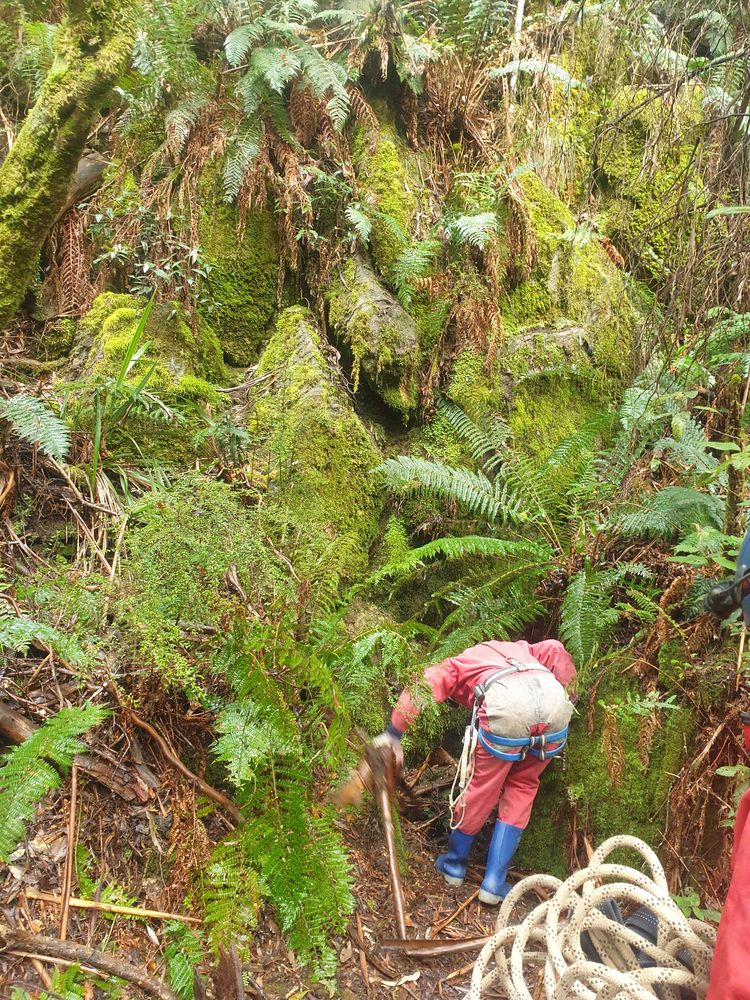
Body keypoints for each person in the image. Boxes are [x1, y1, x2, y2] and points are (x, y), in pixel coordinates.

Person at [373, 637, 577, 904]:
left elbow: (426, 683)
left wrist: (394, 732)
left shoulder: (458, 664)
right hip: (554, 705)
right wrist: (571, 695)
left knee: (483, 789)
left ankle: (454, 866)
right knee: (524, 785)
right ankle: (494, 882)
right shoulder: (524, 649)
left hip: (507, 707)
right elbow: (554, 648)